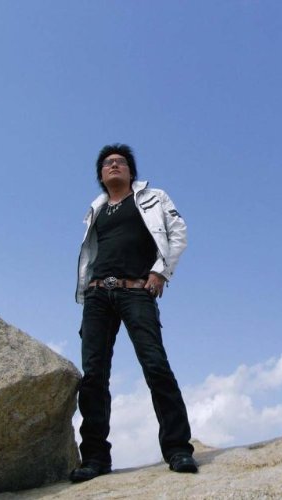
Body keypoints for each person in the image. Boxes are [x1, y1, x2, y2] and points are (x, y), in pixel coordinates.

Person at [70, 143, 197, 482]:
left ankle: (178, 449)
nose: (114, 165)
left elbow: (178, 234)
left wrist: (160, 272)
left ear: (130, 171)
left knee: (155, 365)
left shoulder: (153, 198)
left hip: (136, 290)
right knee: (93, 375)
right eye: (107, 163)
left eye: (121, 162)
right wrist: (87, 289)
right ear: (101, 175)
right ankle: (94, 458)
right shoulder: (95, 209)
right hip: (97, 295)